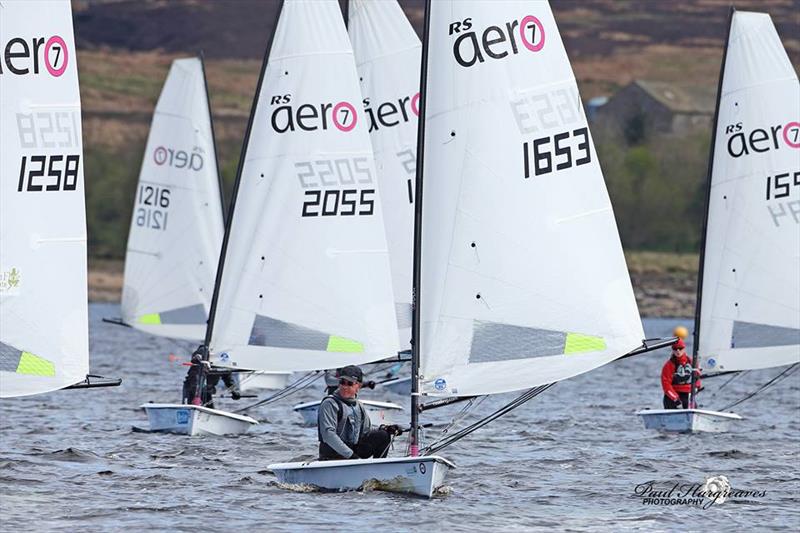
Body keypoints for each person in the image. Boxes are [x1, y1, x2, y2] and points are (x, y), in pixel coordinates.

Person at [317, 365, 402, 460]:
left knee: (383, 435)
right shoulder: (329, 404)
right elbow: (329, 435)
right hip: (332, 455)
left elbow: (366, 431)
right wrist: (352, 457)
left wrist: (386, 428)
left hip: (352, 453)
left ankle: (377, 470)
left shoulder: (359, 406)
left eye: (349, 383)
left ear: (359, 386)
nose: (345, 386)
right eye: (342, 382)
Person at [661, 338, 702, 409]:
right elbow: (666, 384)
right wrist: (675, 398)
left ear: (684, 348)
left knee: (691, 406)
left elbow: (697, 377)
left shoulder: (692, 362)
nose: (678, 351)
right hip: (672, 396)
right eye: (675, 349)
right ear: (672, 350)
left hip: (688, 395)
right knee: (671, 403)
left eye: (680, 348)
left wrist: (697, 387)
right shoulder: (668, 365)